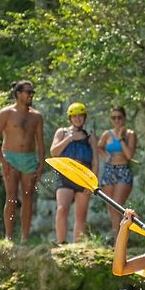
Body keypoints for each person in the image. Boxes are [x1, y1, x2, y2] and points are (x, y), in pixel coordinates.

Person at [0, 80, 45, 242]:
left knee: (28, 197)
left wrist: (41, 164)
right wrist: (3, 161)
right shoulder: (6, 113)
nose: (31, 95)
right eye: (28, 92)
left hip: (29, 159)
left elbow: (40, 143)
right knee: (11, 197)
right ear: (18, 94)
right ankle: (8, 236)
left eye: (32, 92)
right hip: (11, 158)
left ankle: (25, 237)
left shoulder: (36, 116)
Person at [50, 102, 98, 243]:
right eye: (74, 116)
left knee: (80, 215)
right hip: (65, 176)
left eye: (80, 116)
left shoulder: (90, 136)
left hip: (83, 178)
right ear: (70, 118)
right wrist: (70, 139)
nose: (77, 119)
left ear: (84, 117)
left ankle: (77, 246)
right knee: (62, 209)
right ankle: (61, 242)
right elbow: (53, 152)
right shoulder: (62, 132)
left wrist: (92, 184)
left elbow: (95, 161)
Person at [97, 107, 137, 241]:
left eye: (119, 117)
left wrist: (120, 139)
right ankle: (118, 239)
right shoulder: (107, 134)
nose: (116, 120)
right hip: (109, 170)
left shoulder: (130, 134)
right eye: (113, 117)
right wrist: (106, 156)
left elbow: (129, 155)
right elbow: (99, 146)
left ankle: (120, 240)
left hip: (123, 170)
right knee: (111, 207)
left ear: (124, 118)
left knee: (118, 206)